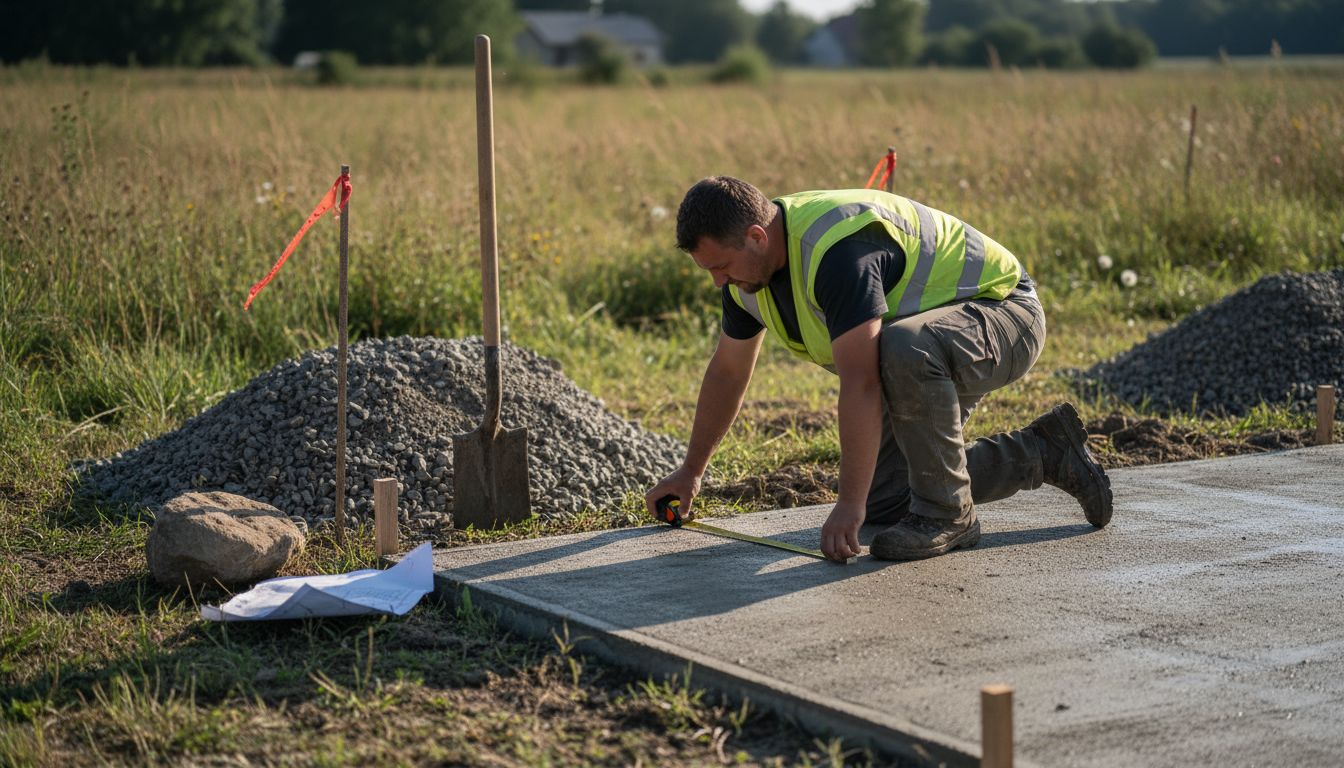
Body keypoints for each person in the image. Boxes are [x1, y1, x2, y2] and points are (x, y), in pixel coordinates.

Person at [644, 176, 1112, 562]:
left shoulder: (838, 252)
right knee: (886, 498)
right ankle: (1045, 452)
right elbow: (728, 372)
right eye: (710, 271)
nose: (718, 281)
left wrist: (846, 505)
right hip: (933, 344)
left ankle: (949, 515)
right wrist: (691, 470)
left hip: (1005, 314)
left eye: (722, 266)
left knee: (902, 347)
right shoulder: (747, 279)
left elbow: (862, 381)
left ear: (756, 236)